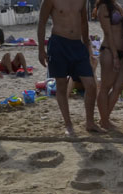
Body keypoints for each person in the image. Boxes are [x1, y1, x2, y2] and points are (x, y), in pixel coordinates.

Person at [38, 0, 103, 136]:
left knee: (91, 85)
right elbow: (42, 22)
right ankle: (68, 124)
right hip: (58, 43)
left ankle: (90, 122)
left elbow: (84, 22)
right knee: (61, 85)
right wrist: (40, 49)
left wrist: (87, 47)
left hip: (77, 45)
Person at [96, 0, 123, 130]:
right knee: (105, 87)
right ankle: (104, 120)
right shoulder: (103, 7)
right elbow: (108, 33)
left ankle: (104, 118)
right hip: (109, 51)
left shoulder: (116, 4)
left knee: (119, 87)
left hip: (122, 51)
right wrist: (115, 56)